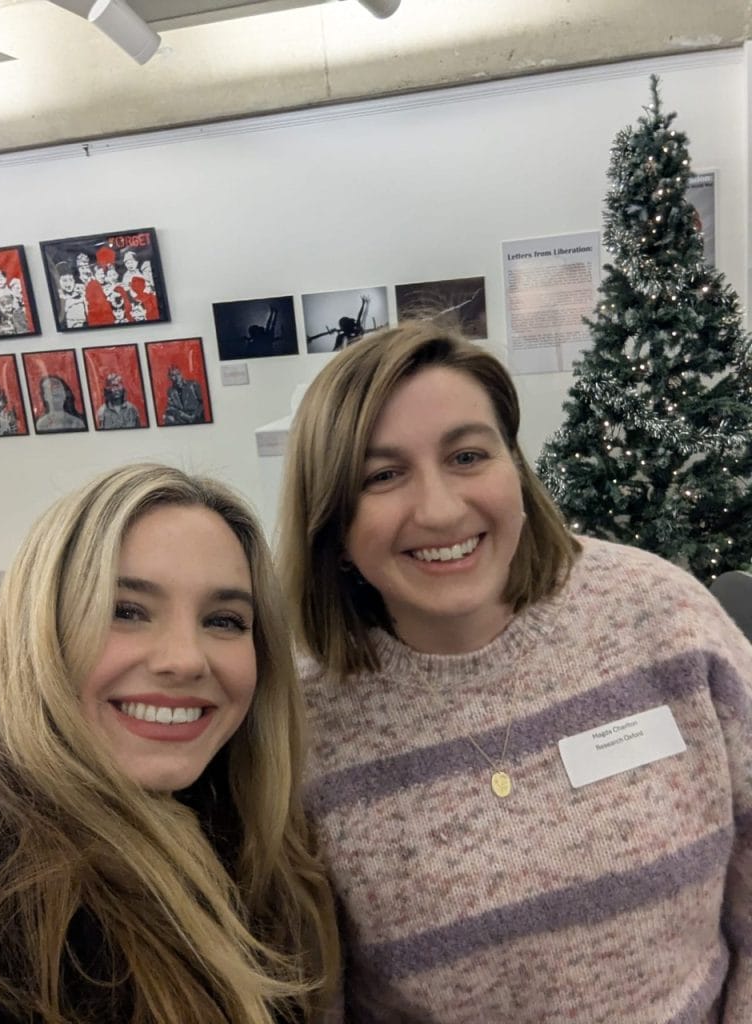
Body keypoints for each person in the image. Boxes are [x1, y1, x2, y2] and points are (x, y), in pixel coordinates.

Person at [277, 319, 752, 1022]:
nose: (440, 509)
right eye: (383, 475)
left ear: (516, 471)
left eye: (468, 456)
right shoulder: (304, 722)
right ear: (334, 527)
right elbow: (318, 994)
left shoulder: (660, 614)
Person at [0, 463, 339, 1023]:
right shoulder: (7, 900)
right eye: (125, 611)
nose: (185, 660)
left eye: (224, 621)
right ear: (43, 629)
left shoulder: (241, 836)